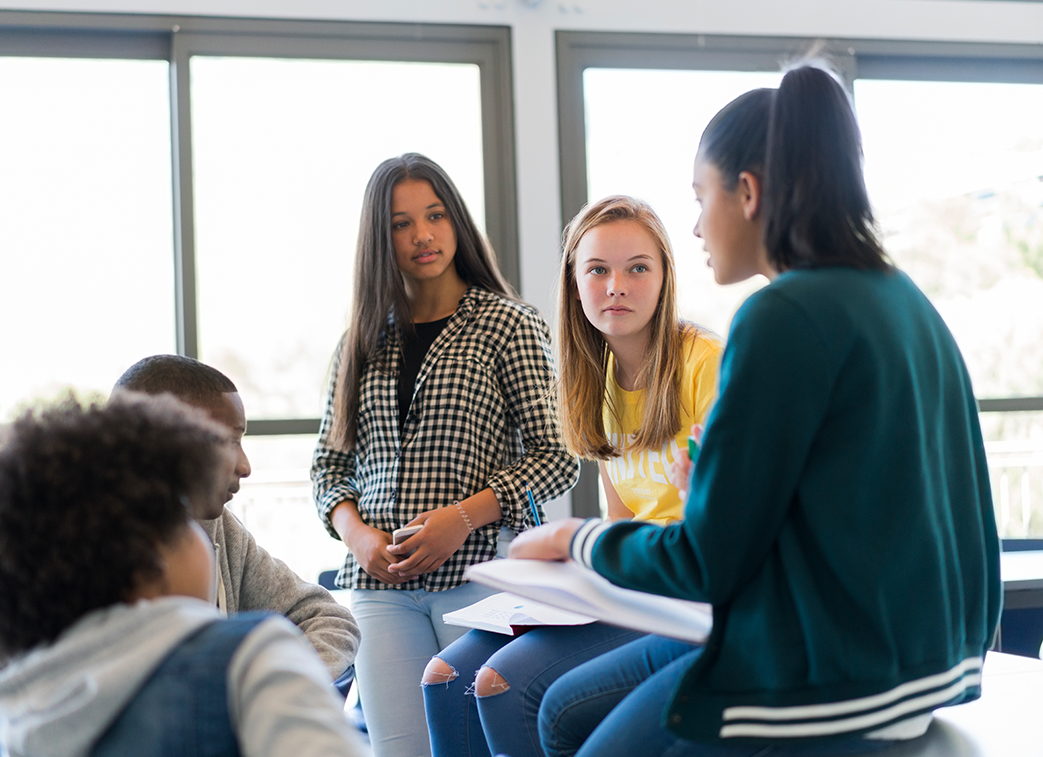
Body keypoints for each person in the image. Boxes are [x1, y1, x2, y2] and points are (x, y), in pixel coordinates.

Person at [510, 63, 1001, 757]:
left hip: (834, 680)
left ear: (747, 193)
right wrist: (707, 486)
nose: (697, 225)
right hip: (933, 665)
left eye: (700, 195)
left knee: (575, 735)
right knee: (563, 713)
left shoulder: (782, 314)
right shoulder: (902, 297)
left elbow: (706, 563)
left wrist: (575, 541)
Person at [0, 354, 360, 739]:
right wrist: (59, 716)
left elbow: (328, 617)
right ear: (154, 442)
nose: (244, 465)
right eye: (226, 441)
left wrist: (269, 694)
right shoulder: (49, 547)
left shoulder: (221, 530)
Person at [422, 195, 722, 757]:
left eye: (638, 268)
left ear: (664, 278)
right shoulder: (595, 378)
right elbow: (622, 519)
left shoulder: (706, 363)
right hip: (627, 583)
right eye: (598, 269)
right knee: (443, 677)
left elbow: (723, 523)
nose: (616, 286)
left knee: (497, 684)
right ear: (575, 282)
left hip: (681, 594)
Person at [311, 153, 579, 757]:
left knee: (475, 746)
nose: (422, 235)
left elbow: (556, 455)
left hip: (478, 573)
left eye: (434, 215)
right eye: (401, 223)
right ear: (381, 239)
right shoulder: (358, 341)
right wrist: (357, 537)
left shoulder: (509, 324)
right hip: (380, 589)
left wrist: (459, 519)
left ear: (456, 220)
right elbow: (328, 468)